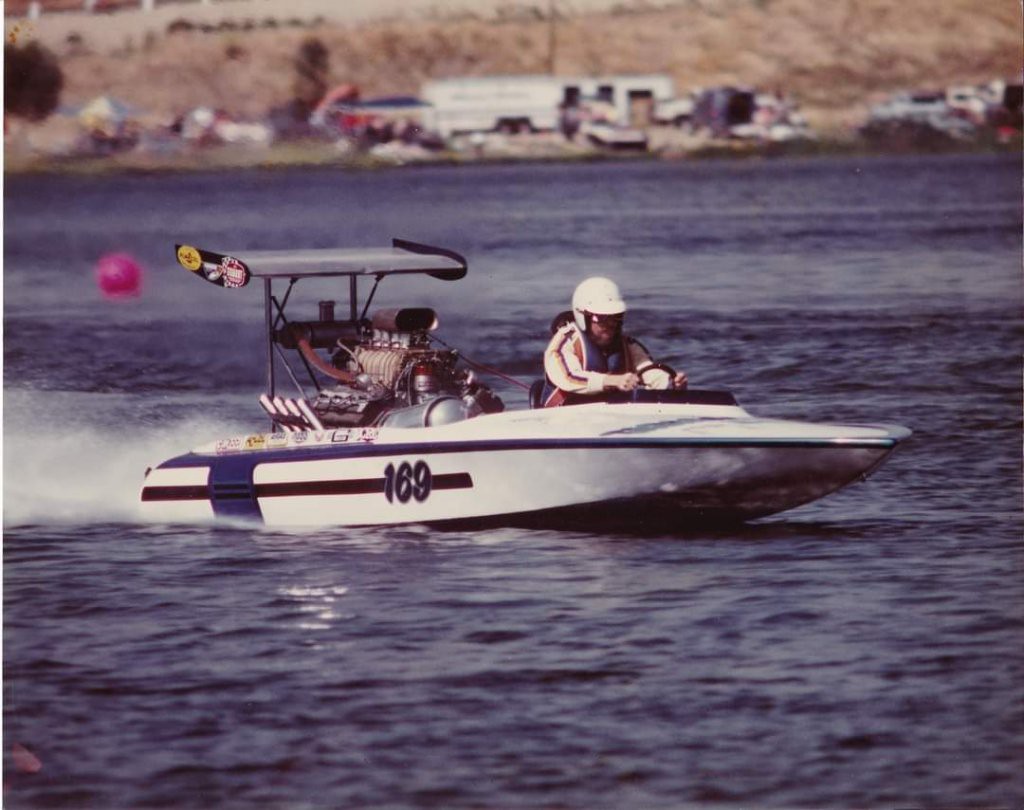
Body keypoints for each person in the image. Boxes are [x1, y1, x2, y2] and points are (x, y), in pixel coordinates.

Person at [541, 276, 687, 407]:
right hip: (564, 418)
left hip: (611, 418)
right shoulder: (563, 343)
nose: (610, 325)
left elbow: (650, 371)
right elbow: (569, 377)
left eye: (615, 317)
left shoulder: (628, 346)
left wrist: (671, 383)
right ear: (583, 316)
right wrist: (613, 381)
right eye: (603, 318)